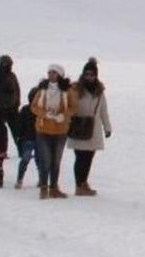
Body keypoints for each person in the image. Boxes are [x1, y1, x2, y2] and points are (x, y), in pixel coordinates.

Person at [31, 64, 77, 199]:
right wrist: (45, 114)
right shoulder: (42, 89)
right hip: (43, 129)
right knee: (45, 159)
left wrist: (64, 115)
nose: (51, 75)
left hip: (60, 131)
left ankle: (54, 187)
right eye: (49, 73)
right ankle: (43, 188)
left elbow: (74, 107)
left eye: (54, 73)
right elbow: (34, 106)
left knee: (56, 160)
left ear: (60, 75)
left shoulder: (68, 91)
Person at [68, 58, 113, 196]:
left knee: (89, 158)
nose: (89, 77)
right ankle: (79, 185)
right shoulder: (75, 89)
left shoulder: (99, 90)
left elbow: (103, 110)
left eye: (92, 74)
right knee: (80, 157)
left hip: (93, 128)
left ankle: (83, 182)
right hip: (78, 127)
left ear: (96, 75)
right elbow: (68, 105)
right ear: (83, 74)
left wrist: (107, 127)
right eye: (87, 74)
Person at [15, 88, 39, 189]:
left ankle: (42, 179)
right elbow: (19, 124)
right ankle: (20, 178)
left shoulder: (40, 110)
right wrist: (19, 136)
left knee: (39, 160)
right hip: (28, 138)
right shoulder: (25, 110)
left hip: (37, 138)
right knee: (26, 159)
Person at [0, 55, 21, 142]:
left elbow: (17, 90)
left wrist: (17, 103)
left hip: (12, 109)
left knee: (17, 132)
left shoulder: (12, 75)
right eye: (6, 64)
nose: (8, 66)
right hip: (0, 109)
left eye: (9, 64)